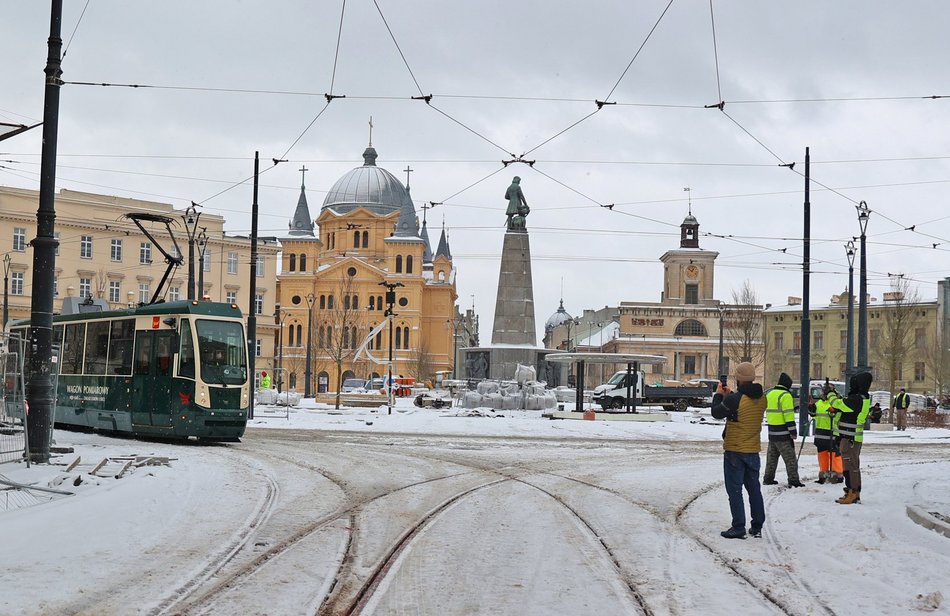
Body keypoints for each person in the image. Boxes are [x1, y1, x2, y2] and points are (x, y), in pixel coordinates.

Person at [711, 362, 767, 539]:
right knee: (754, 489)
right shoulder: (762, 398)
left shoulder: (734, 400)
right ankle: (757, 525)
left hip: (735, 450)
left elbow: (716, 413)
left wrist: (719, 395)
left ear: (739, 379)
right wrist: (731, 395)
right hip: (753, 449)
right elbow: (745, 405)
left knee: (734, 490)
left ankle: (738, 526)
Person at [832, 371, 873, 504]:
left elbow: (839, 404)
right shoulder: (859, 398)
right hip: (848, 437)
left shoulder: (857, 399)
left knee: (851, 467)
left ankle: (853, 492)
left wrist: (831, 395)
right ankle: (850, 491)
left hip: (851, 439)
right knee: (849, 466)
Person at [762, 372, 804, 487]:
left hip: (772, 432)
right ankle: (794, 480)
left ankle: (768, 478)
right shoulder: (785, 395)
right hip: (783, 433)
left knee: (771, 458)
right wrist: (793, 432)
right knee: (790, 458)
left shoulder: (770, 394)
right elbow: (788, 416)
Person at [808, 382, 845, 484]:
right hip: (821, 434)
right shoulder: (819, 403)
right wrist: (811, 410)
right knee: (822, 455)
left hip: (833, 433)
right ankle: (823, 474)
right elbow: (815, 416)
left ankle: (838, 475)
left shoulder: (836, 403)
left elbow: (839, 416)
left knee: (834, 455)